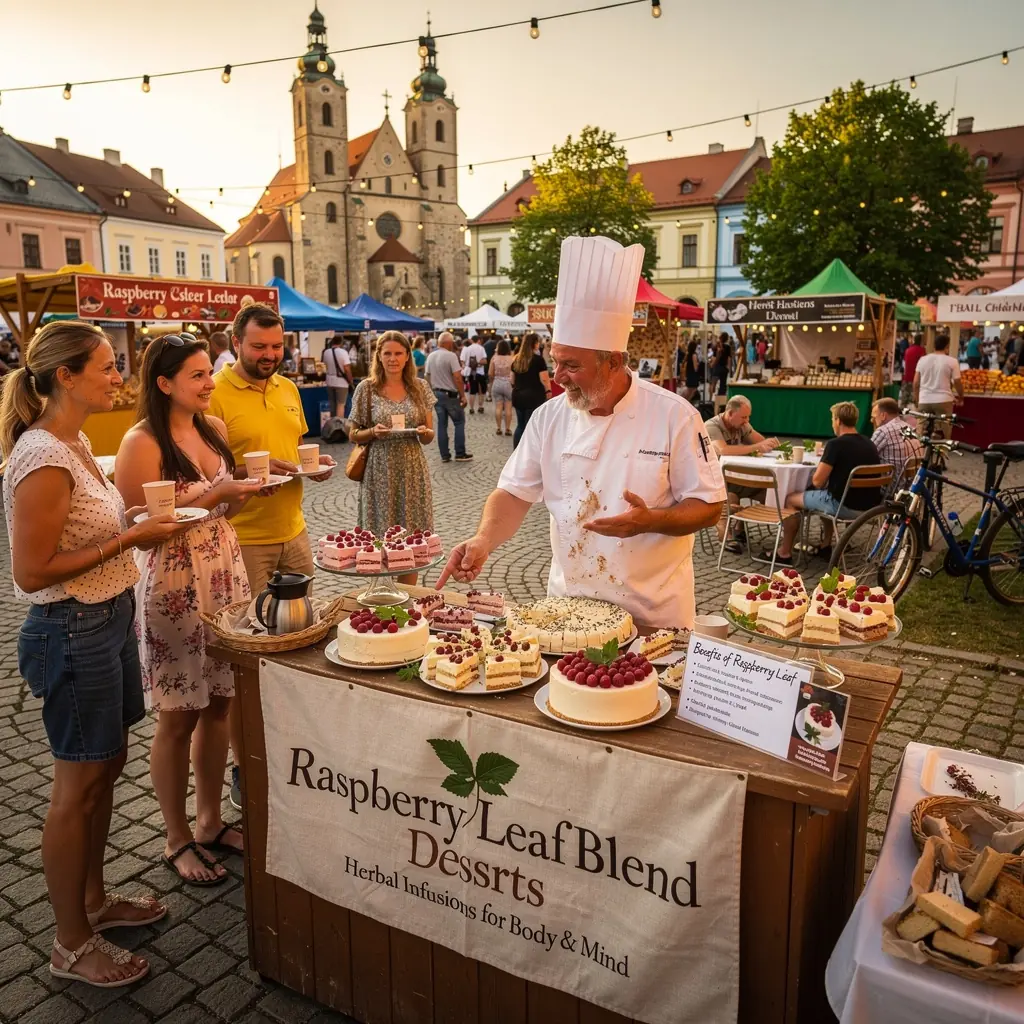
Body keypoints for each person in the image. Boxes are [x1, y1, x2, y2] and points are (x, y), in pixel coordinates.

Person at [1, 321, 185, 988]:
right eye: (108, 367)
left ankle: (93, 902)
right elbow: (31, 571)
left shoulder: (76, 442)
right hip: (71, 630)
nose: (120, 377)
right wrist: (128, 541)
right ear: (65, 377)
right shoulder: (43, 455)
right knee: (76, 789)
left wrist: (131, 529)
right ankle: (71, 944)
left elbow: (91, 531)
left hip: (108, 618)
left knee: (105, 769)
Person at [438, 235, 726, 628]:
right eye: (555, 363)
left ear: (613, 362)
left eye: (571, 366)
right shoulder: (548, 418)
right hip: (567, 611)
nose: (557, 378)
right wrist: (483, 540)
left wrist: (650, 520)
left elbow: (709, 506)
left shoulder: (675, 416)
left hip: (653, 616)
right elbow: (513, 492)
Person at [115, 335, 262, 886]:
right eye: (199, 375)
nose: (209, 383)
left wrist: (246, 490)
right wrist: (212, 494)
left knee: (221, 702)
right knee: (178, 714)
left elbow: (228, 501)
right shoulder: (140, 442)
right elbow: (138, 529)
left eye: (209, 372)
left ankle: (209, 821)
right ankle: (175, 837)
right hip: (173, 578)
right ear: (165, 383)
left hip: (223, 568)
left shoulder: (213, 430)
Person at [207, 302, 336, 809]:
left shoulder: (287, 389)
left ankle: (297, 744)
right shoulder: (213, 394)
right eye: (259, 346)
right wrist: (246, 475)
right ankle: (245, 764)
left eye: (277, 346)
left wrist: (315, 466)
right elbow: (206, 470)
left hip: (294, 533)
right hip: (244, 539)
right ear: (235, 343)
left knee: (302, 636)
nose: (269, 355)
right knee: (252, 653)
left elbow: (296, 451)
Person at [348, 332, 436, 581]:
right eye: (387, 353)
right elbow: (353, 434)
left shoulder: (420, 388)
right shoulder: (366, 389)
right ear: (379, 356)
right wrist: (372, 432)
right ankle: (379, 594)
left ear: (408, 356)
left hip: (411, 468)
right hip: (379, 468)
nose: (393, 359)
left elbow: (429, 437)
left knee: (410, 539)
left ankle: (407, 597)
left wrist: (424, 431)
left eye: (398, 353)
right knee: (378, 535)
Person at [770, 402, 881, 564]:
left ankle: (784, 552)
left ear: (837, 421)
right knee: (826, 495)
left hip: (843, 506)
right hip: (869, 508)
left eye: (832, 419)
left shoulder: (835, 444)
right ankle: (826, 545)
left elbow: (818, 481)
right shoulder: (869, 443)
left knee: (790, 499)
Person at [704, 395, 780, 553]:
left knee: (772, 492)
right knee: (729, 496)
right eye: (744, 417)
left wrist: (769, 443)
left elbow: (760, 441)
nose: (746, 421)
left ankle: (783, 537)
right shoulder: (711, 426)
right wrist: (757, 446)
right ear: (730, 413)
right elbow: (723, 450)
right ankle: (726, 535)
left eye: (748, 417)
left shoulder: (741, 424)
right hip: (714, 479)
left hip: (737, 478)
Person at [424, 332, 472, 462]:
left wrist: (430, 392)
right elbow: (457, 377)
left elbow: (426, 376)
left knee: (442, 424)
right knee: (459, 422)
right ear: (449, 343)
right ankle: (460, 453)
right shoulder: (451, 356)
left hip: (437, 393)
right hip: (450, 395)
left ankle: (444, 455)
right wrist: (462, 395)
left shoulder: (431, 356)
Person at [870, 397, 923, 499]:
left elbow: (865, 456)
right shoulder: (909, 428)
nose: (872, 420)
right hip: (912, 488)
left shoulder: (883, 431)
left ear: (883, 415)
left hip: (891, 489)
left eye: (874, 417)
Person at [913, 334, 963, 439]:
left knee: (920, 432)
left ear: (934, 346)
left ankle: (920, 452)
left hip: (924, 400)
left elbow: (916, 383)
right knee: (944, 433)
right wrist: (961, 398)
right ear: (947, 346)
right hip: (944, 401)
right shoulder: (952, 361)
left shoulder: (922, 360)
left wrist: (917, 400)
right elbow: (957, 382)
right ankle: (942, 452)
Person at [511, 332, 551, 448]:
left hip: (518, 395)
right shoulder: (538, 360)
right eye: (537, 342)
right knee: (531, 426)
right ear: (534, 344)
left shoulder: (516, 360)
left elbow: (512, 380)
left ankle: (516, 450)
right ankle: (527, 451)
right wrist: (548, 390)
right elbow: (544, 379)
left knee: (520, 425)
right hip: (533, 396)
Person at [488, 339, 515, 436]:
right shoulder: (512, 358)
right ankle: (507, 429)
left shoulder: (494, 358)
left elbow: (490, 373)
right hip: (508, 383)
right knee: (508, 407)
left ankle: (498, 428)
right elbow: (514, 373)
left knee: (498, 406)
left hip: (497, 382)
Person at [323, 335, 353, 418]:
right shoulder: (343, 352)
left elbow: (325, 365)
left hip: (329, 381)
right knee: (340, 405)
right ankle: (339, 426)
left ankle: (332, 425)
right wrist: (350, 380)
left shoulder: (326, 352)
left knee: (332, 404)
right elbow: (347, 369)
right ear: (341, 342)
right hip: (341, 383)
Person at [461, 336, 488, 413]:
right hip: (480, 372)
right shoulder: (481, 348)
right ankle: (480, 406)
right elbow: (485, 361)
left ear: (472, 340)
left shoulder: (467, 349)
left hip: (470, 372)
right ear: (479, 340)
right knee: (481, 391)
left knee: (472, 391)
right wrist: (478, 363)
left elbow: (463, 361)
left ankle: (471, 408)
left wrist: (468, 365)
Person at [900, 334, 926, 408]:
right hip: (916, 378)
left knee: (904, 400)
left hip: (906, 377)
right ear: (921, 341)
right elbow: (923, 365)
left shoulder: (908, 350)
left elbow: (904, 363)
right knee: (916, 400)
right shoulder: (922, 350)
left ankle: (901, 414)